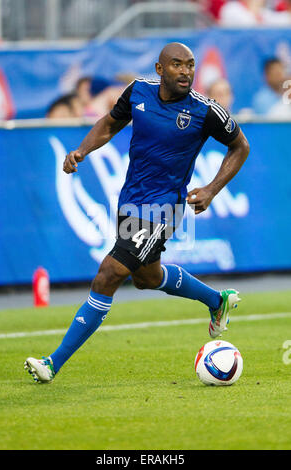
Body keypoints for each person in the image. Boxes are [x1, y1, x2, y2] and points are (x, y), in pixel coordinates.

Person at [24, 42, 249, 384]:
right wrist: (81, 151)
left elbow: (240, 147)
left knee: (109, 273)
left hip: (163, 208)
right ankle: (217, 300)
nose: (186, 71)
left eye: (190, 65)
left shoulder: (206, 111)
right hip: (130, 202)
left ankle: (52, 363)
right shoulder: (138, 92)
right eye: (177, 65)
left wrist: (211, 189)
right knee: (146, 278)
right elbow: (110, 123)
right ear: (160, 70)